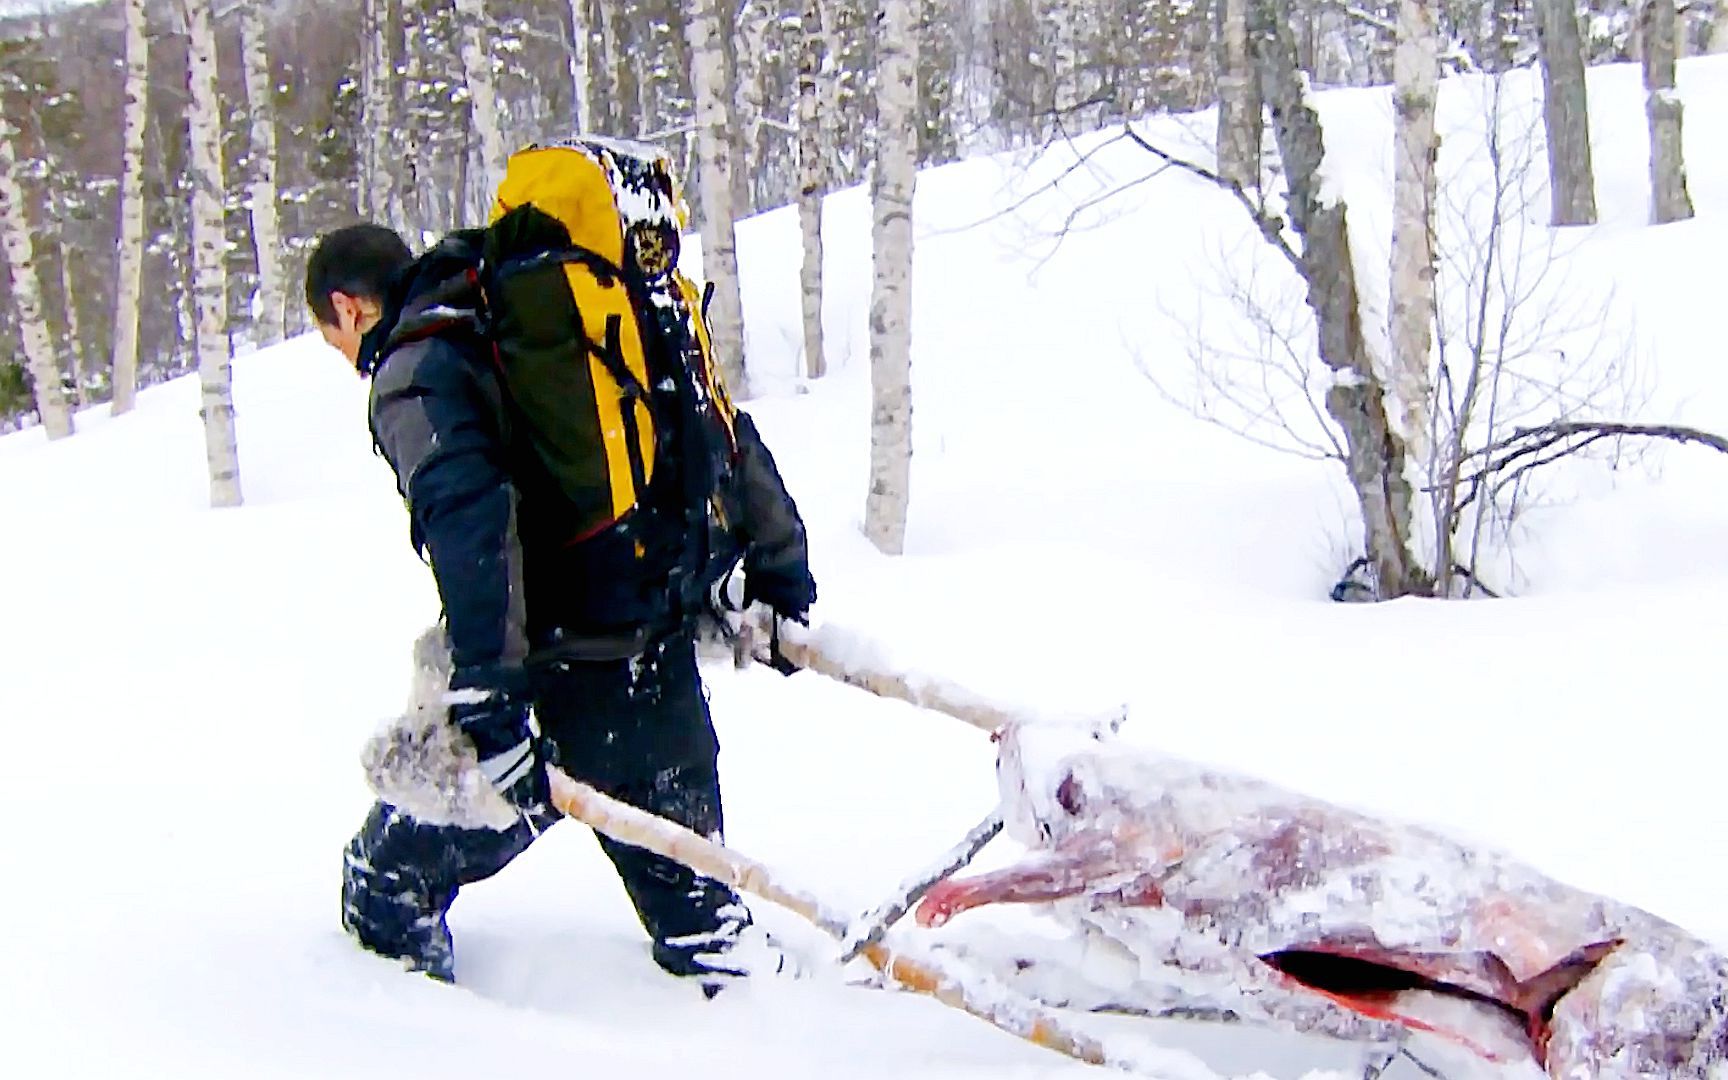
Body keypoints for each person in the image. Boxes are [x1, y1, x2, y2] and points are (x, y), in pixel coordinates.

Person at [306, 222, 817, 990]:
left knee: (384, 886)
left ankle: (396, 1040)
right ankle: (796, 1042)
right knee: (709, 933)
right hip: (653, 649)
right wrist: (781, 568)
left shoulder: (419, 365)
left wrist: (485, 697)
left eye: (330, 337)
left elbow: (470, 526)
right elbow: (712, 416)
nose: (345, 359)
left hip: (557, 672)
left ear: (347, 309)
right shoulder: (560, 321)